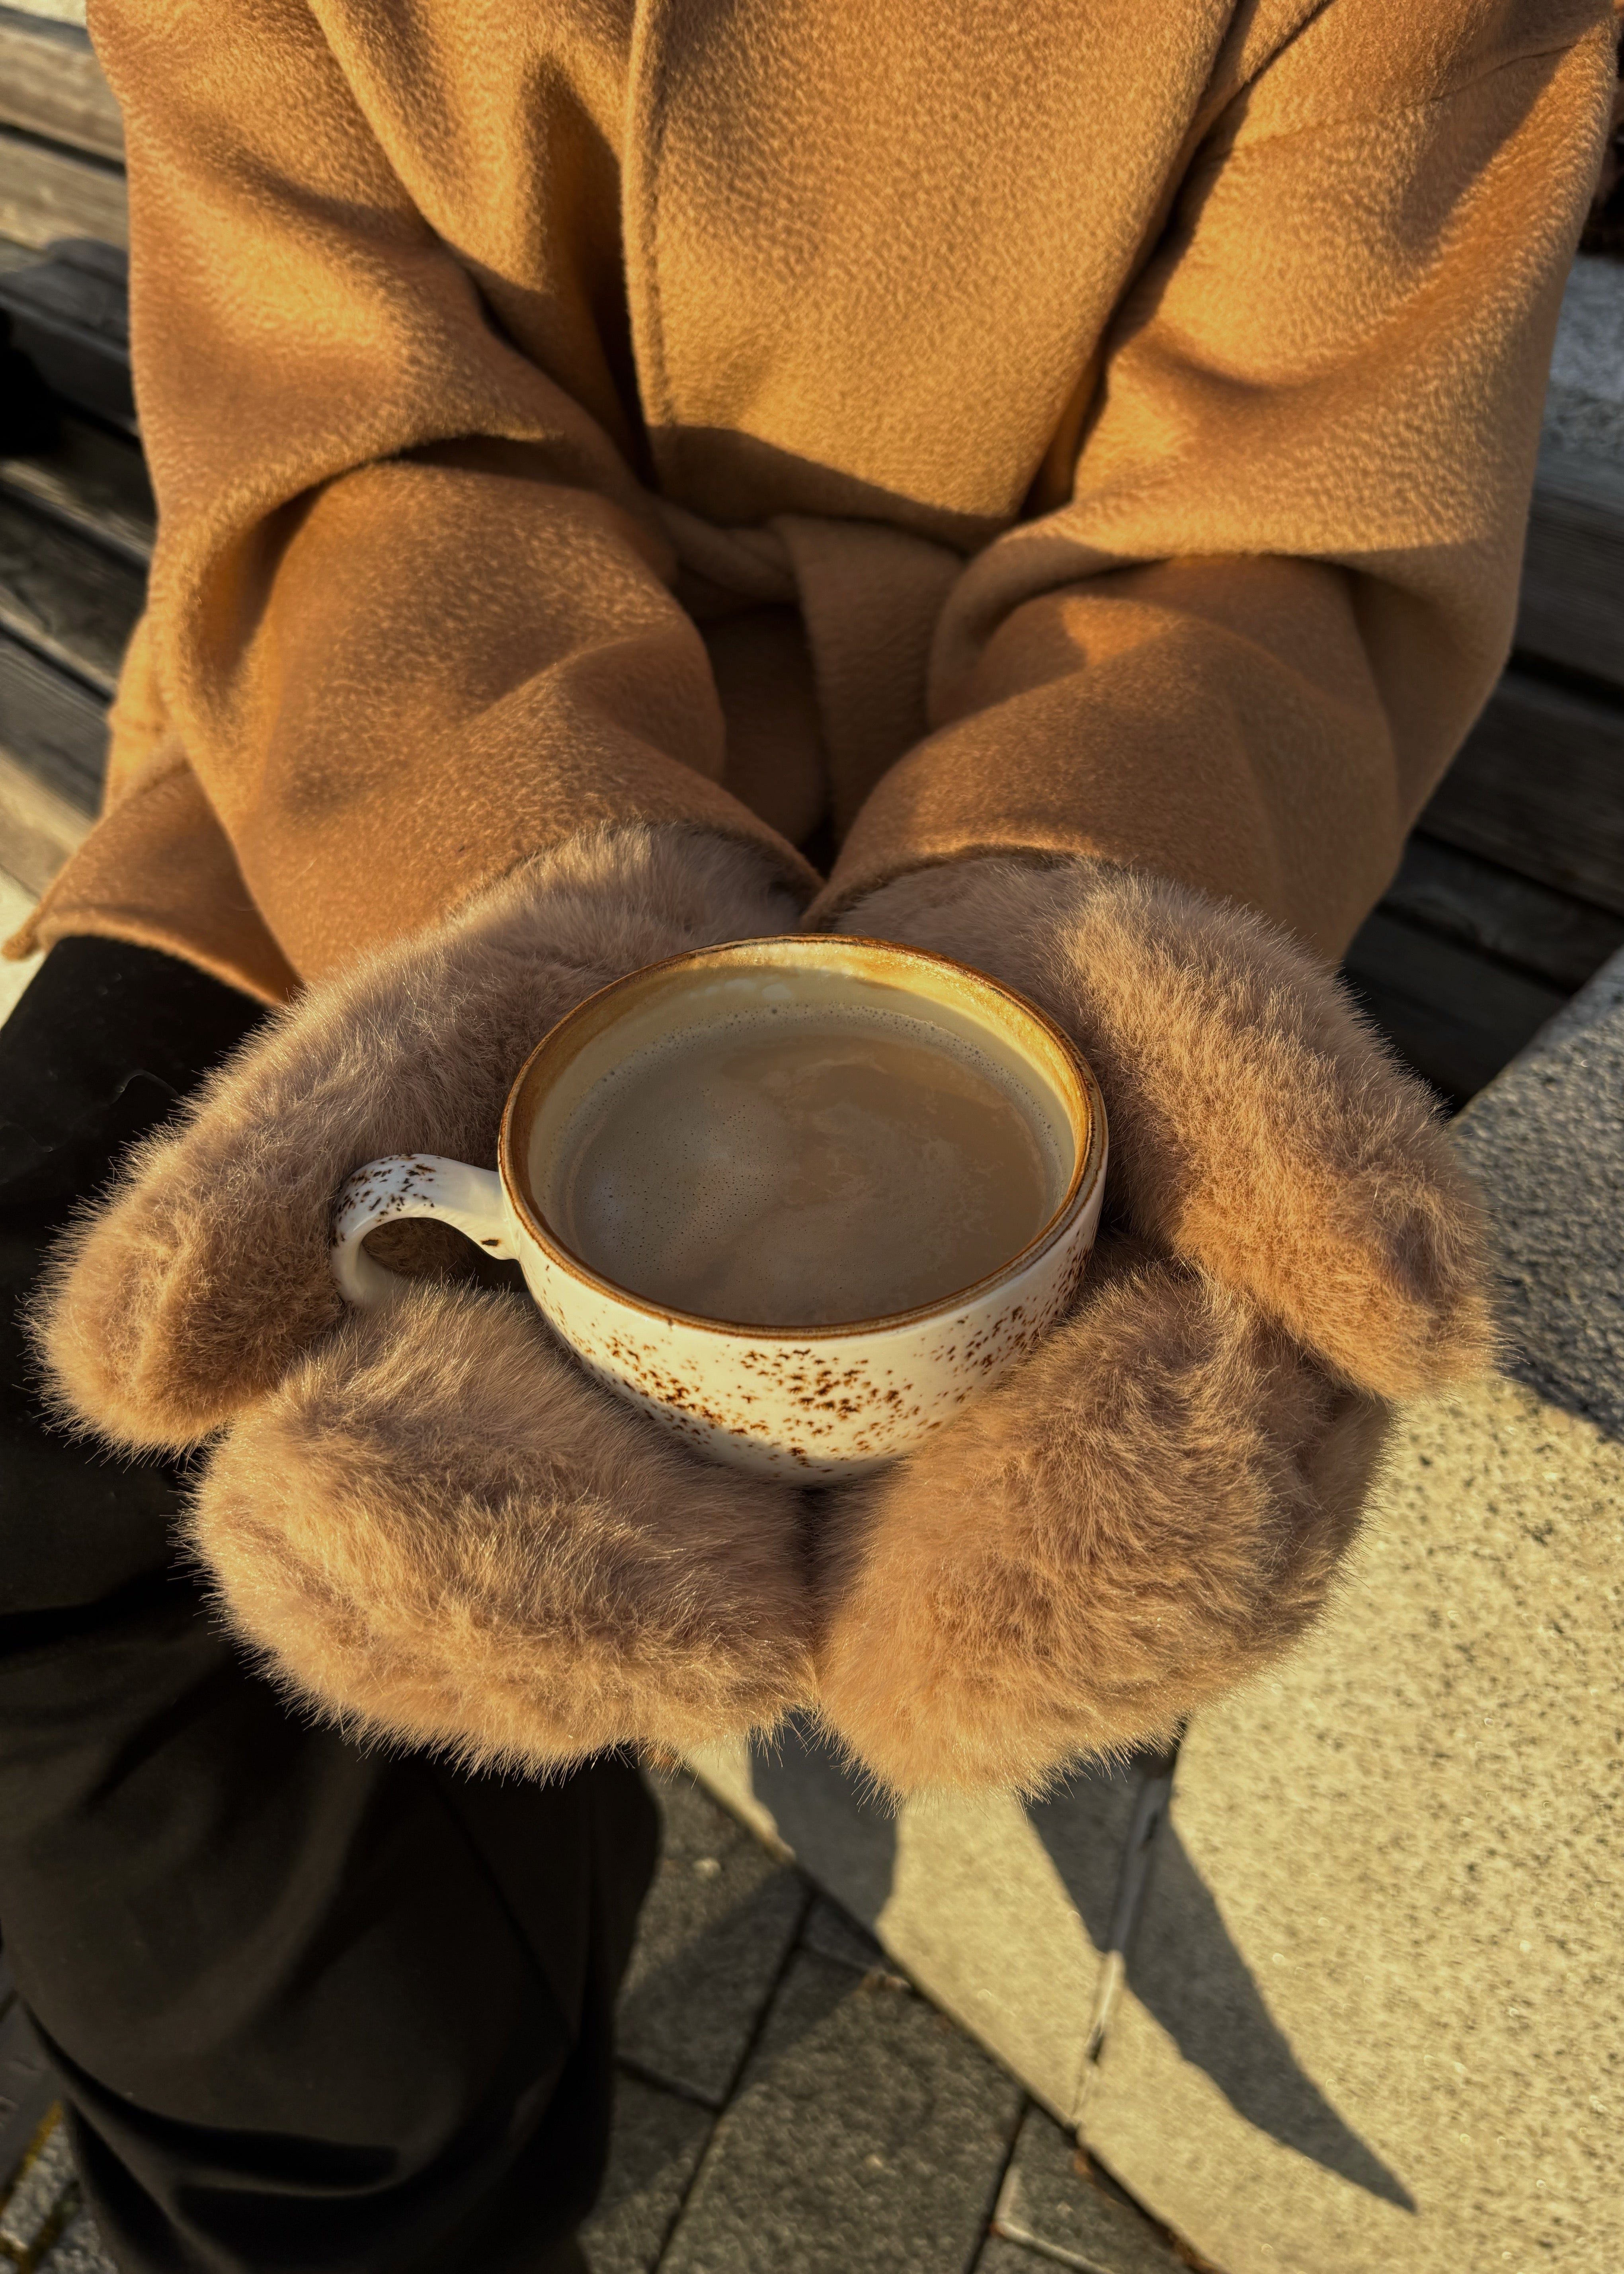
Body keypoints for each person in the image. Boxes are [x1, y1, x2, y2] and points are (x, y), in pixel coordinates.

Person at [1, 1, 1614, 2266]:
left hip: (1090, 778)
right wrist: (532, 883)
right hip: (424, 737)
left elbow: (1293, 511)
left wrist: (1063, 873)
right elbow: (341, 419)